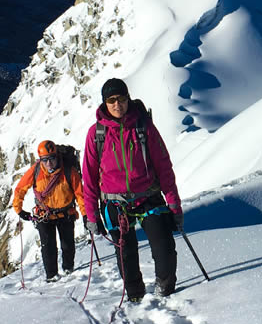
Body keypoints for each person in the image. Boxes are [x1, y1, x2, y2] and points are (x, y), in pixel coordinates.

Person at [82, 78, 183, 302]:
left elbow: (164, 167)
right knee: (125, 256)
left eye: (122, 98)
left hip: (148, 197)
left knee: (165, 249)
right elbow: (88, 178)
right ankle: (135, 296)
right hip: (114, 203)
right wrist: (92, 215)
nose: (118, 104)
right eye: (112, 100)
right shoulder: (96, 134)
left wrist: (174, 204)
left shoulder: (144, 126)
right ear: (104, 103)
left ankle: (165, 291)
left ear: (128, 98)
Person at [12, 140, 86, 282]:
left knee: (68, 244)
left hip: (66, 213)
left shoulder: (69, 171)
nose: (48, 163)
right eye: (45, 160)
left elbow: (80, 195)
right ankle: (51, 276)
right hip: (44, 216)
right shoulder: (36, 171)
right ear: (40, 160)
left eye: (51, 158)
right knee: (48, 248)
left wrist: (85, 214)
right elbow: (20, 189)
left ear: (57, 156)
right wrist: (19, 209)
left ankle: (68, 268)